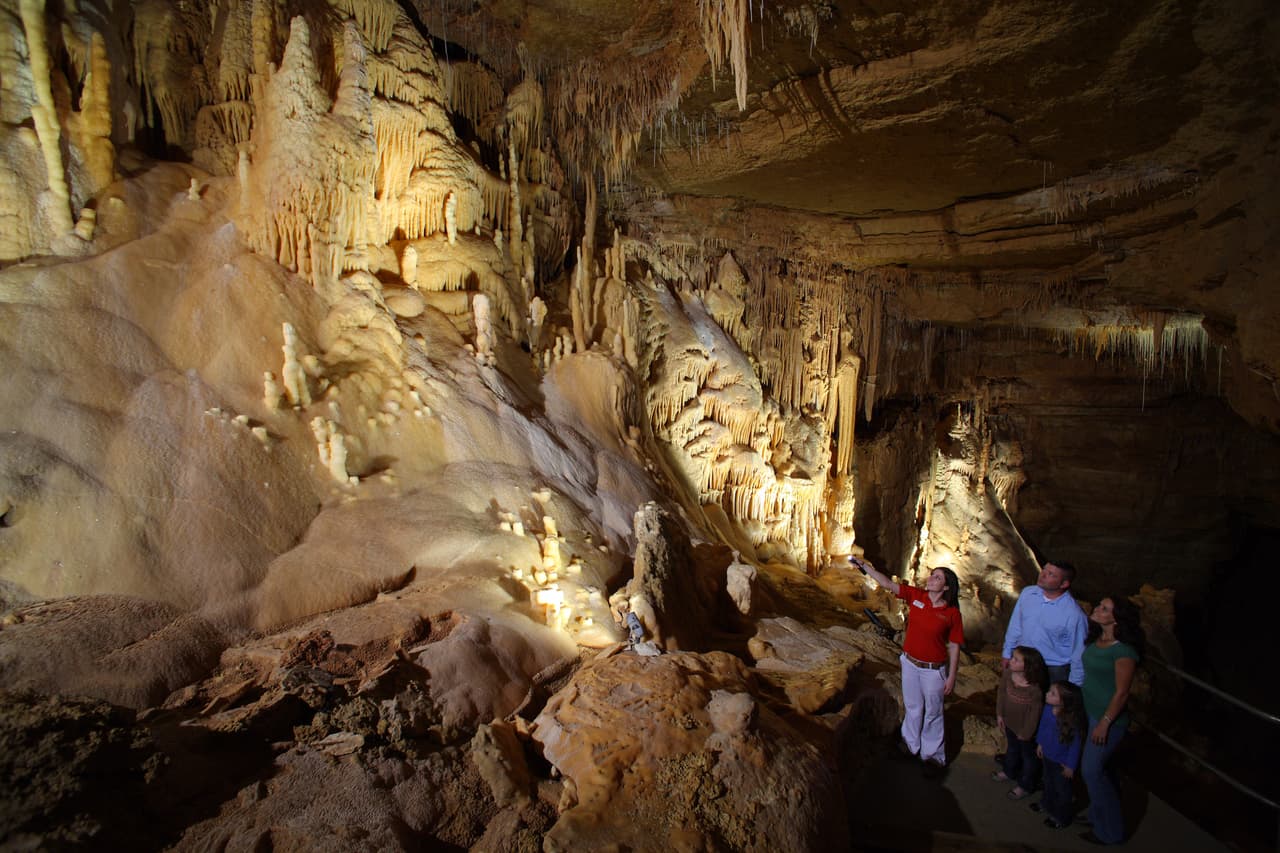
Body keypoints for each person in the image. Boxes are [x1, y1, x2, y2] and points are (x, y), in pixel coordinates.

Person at [854, 558, 964, 774]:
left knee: (933, 712)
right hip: (910, 664)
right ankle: (909, 746)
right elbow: (888, 584)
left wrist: (951, 676)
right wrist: (866, 568)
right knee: (913, 707)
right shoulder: (917, 596)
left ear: (947, 586)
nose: (931, 578)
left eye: (937, 577)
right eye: (932, 575)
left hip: (933, 669)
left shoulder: (951, 613)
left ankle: (932, 757)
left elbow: (954, 646)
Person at [1078, 596, 1144, 846]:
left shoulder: (1123, 651)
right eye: (1100, 605)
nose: (1097, 609)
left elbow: (1122, 692)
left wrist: (1105, 722)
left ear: (1116, 618)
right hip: (1090, 710)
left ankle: (1111, 832)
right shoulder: (1099, 639)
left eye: (1104, 609)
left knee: (1092, 771)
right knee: (1099, 770)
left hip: (1106, 719)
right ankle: (1097, 815)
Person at [1002, 562, 1088, 685]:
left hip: (1052, 668)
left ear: (1064, 584)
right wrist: (1007, 652)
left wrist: (1074, 685)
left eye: (1051, 574)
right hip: (1023, 661)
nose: (1042, 575)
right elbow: (1016, 625)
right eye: (1044, 570)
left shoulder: (1073, 614)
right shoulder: (1028, 594)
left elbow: (1078, 652)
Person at [992, 645, 1048, 800]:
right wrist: (1000, 714)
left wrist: (1026, 733)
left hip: (1024, 731)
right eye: (1012, 657)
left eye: (1016, 660)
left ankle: (1025, 785)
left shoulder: (1034, 689)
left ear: (1028, 666)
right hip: (1010, 723)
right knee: (1012, 749)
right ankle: (1009, 771)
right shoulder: (1008, 675)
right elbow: (1001, 693)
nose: (1011, 661)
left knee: (1028, 757)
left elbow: (1035, 713)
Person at [1034, 681, 1086, 829]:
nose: (1047, 694)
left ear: (1065, 701)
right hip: (1048, 755)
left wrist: (1070, 765)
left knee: (1062, 789)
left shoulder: (1072, 720)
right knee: (1048, 781)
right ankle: (1046, 803)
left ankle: (1061, 816)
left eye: (1052, 694)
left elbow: (1075, 745)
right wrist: (1040, 743)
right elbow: (1043, 726)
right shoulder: (1048, 709)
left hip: (1061, 762)